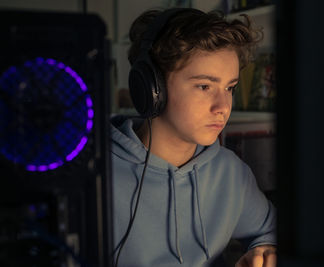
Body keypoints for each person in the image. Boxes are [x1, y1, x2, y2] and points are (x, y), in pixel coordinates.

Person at [110, 7, 277, 267]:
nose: (223, 106)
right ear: (152, 88)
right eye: (204, 86)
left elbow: (270, 234)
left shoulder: (230, 171)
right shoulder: (95, 173)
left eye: (229, 88)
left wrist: (263, 252)